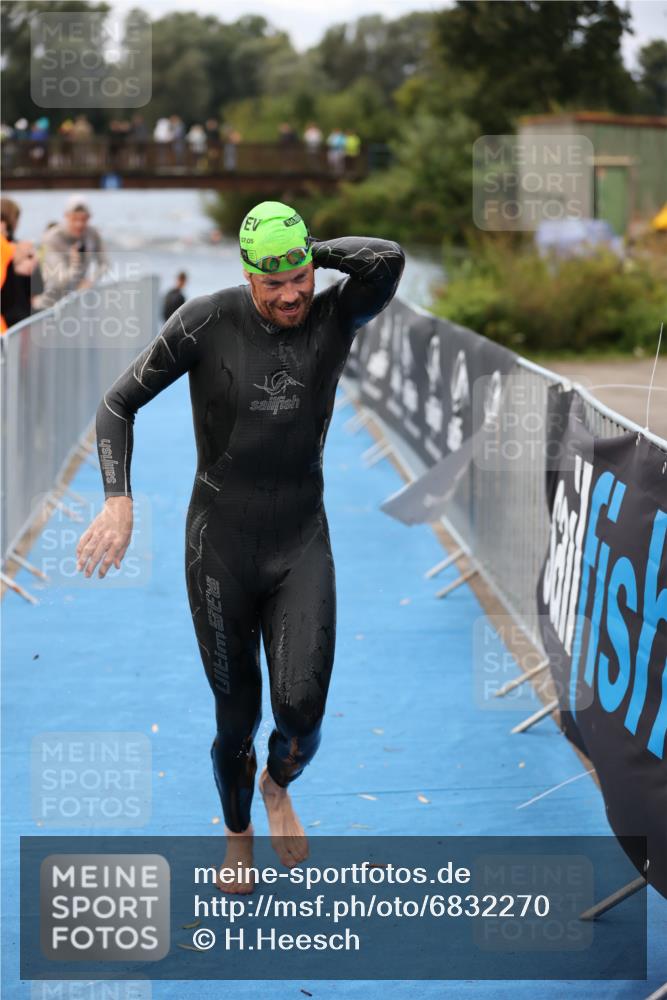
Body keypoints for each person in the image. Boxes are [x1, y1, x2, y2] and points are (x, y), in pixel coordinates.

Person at [76, 200, 404, 891]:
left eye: (299, 278)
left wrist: (311, 249)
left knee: (301, 716)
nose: (289, 296)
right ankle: (237, 835)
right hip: (219, 549)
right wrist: (117, 498)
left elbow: (387, 259)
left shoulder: (335, 315)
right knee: (238, 719)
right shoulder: (205, 320)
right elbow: (116, 404)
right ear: (247, 276)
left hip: (300, 541)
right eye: (271, 283)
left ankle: (277, 783)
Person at [34, 194, 107, 309]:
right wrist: (74, 263)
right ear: (66, 216)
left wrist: (90, 281)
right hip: (52, 301)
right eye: (74, 219)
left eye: (83, 219)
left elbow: (104, 264)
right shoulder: (52, 238)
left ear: (89, 218)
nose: (79, 224)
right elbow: (58, 280)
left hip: (79, 299)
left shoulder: (93, 234)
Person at [0, 197, 43, 329]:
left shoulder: (18, 249)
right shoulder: (21, 249)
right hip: (21, 319)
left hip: (10, 320)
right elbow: (37, 287)